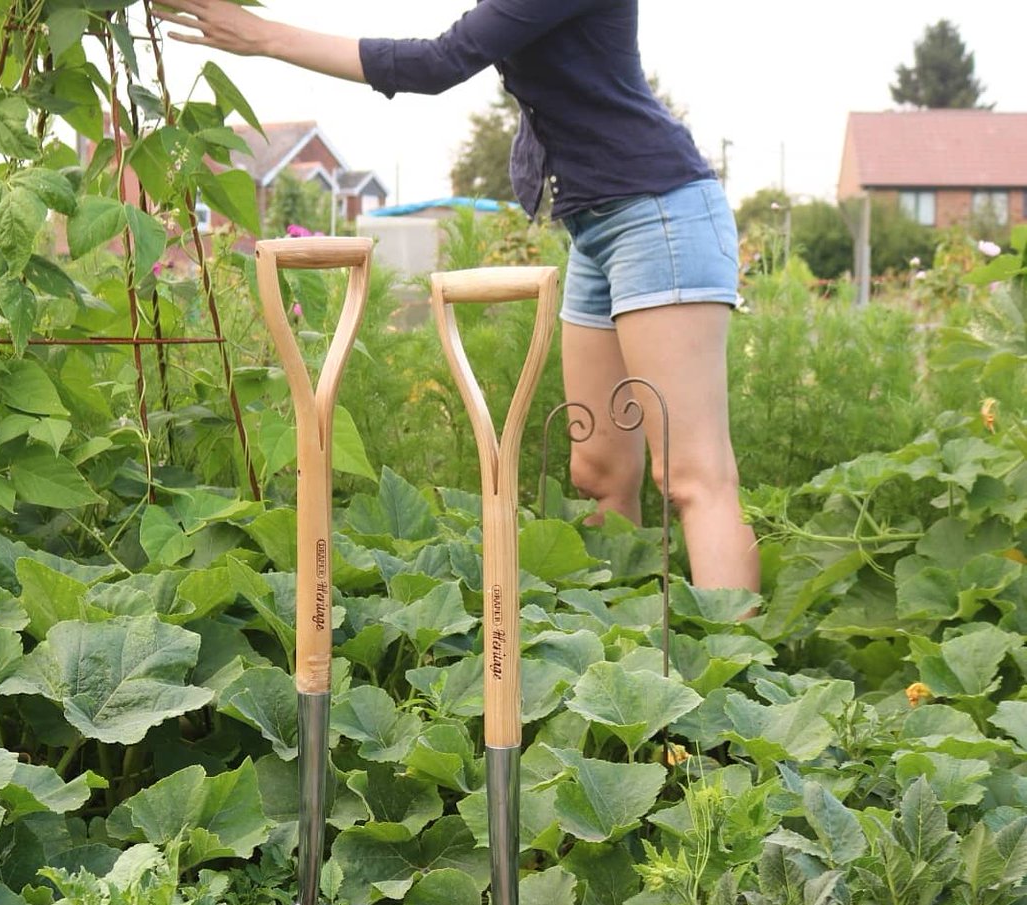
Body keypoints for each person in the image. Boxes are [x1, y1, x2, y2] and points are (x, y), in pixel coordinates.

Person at [159, 0, 760, 593]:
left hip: (659, 218)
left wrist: (262, 35)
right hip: (596, 228)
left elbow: (437, 62)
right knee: (599, 471)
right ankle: (628, 661)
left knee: (691, 476)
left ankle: (737, 673)